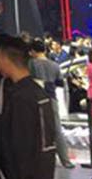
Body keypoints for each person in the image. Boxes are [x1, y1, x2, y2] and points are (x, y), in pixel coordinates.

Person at [0, 35, 56, 179]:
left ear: (3, 57)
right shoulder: (35, 91)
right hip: (41, 173)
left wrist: (15, 178)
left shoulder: (20, 96)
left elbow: (22, 143)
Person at [29, 40, 74, 168]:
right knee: (57, 129)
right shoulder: (54, 65)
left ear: (32, 51)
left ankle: (38, 160)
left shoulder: (31, 63)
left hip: (35, 99)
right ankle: (65, 160)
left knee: (35, 129)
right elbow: (60, 82)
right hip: (51, 98)